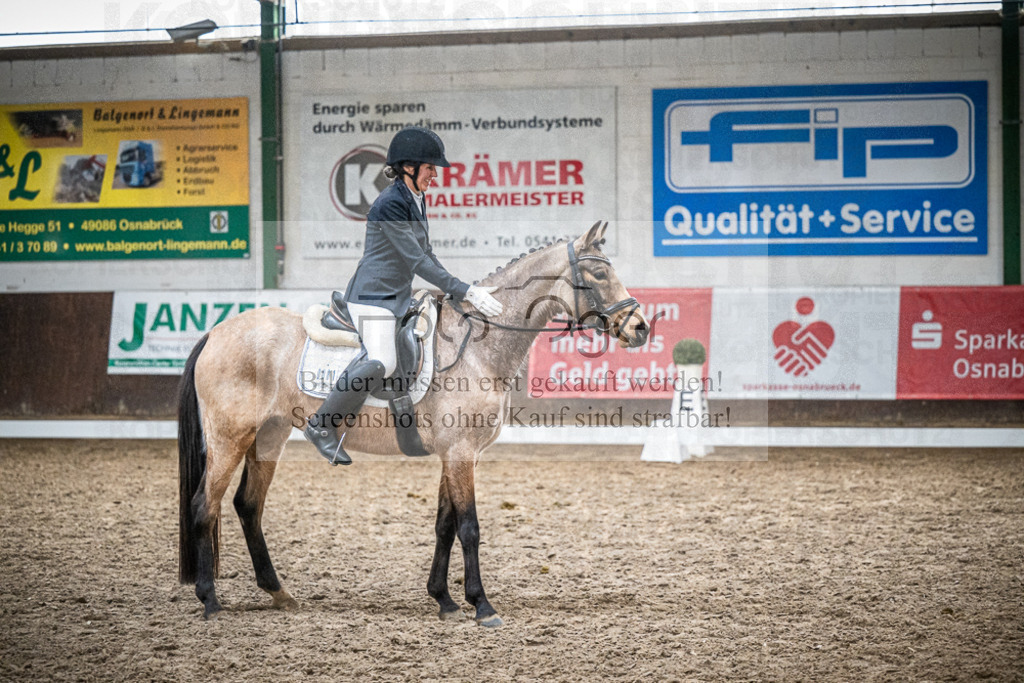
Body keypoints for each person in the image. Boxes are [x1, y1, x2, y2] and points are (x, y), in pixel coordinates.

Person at [305, 126, 503, 465]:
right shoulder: (390, 204)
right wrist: (464, 289)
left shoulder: (415, 198)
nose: (434, 177)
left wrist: (462, 291)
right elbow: (416, 261)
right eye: (429, 169)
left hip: (395, 295)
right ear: (408, 167)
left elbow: (427, 253)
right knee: (384, 360)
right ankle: (322, 424)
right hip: (371, 297)